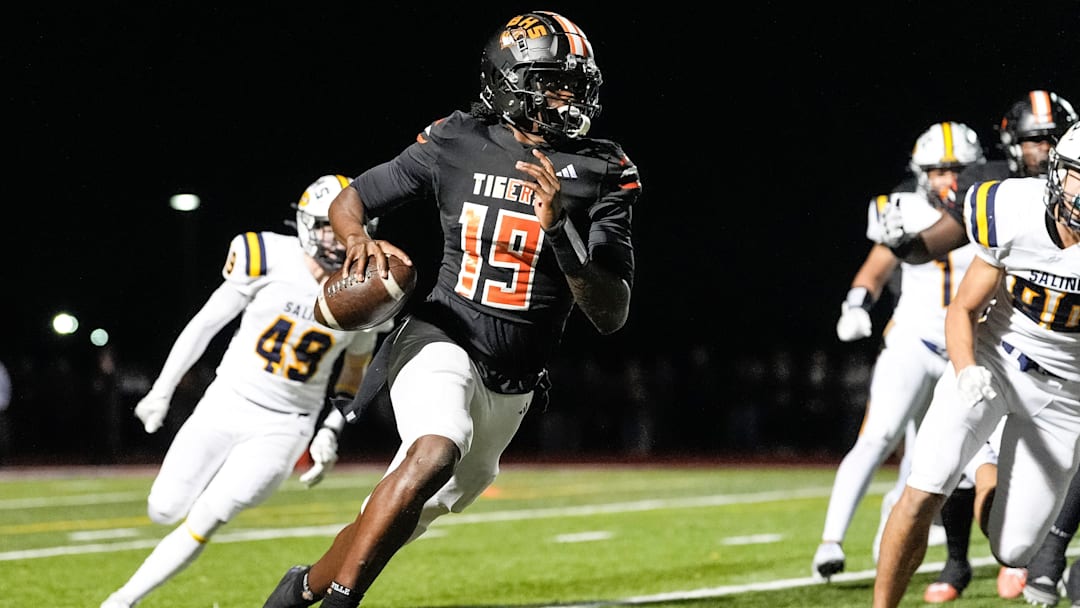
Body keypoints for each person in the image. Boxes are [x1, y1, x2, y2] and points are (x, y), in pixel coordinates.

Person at [262, 10, 640, 608]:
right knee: (436, 448)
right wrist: (357, 237)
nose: (568, 95)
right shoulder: (457, 139)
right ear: (509, 83)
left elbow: (610, 310)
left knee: (401, 518)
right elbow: (353, 195)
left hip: (513, 380)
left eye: (574, 80)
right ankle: (339, 601)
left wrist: (561, 228)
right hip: (443, 333)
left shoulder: (604, 168)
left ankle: (300, 588)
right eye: (551, 81)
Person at [100, 175, 389, 608]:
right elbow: (205, 323)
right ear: (306, 224)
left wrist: (330, 429)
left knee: (208, 516)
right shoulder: (268, 257)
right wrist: (162, 389)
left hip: (286, 426)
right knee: (163, 508)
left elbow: (355, 371)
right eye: (327, 224)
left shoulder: (364, 288)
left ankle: (122, 601)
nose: (337, 236)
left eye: (346, 224)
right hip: (226, 401)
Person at [879, 90, 1078, 603]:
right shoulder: (1009, 206)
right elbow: (964, 308)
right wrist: (967, 369)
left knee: (1013, 548)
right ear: (1059, 173)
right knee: (922, 489)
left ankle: (1002, 508)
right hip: (995, 358)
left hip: (1067, 393)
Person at [812, 121, 985, 582]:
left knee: (928, 458)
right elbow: (877, 265)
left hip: (963, 352)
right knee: (877, 435)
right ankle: (830, 540)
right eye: (937, 170)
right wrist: (855, 304)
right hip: (911, 340)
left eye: (957, 170)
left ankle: (895, 524)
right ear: (919, 171)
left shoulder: (990, 208)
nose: (948, 180)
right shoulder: (901, 208)